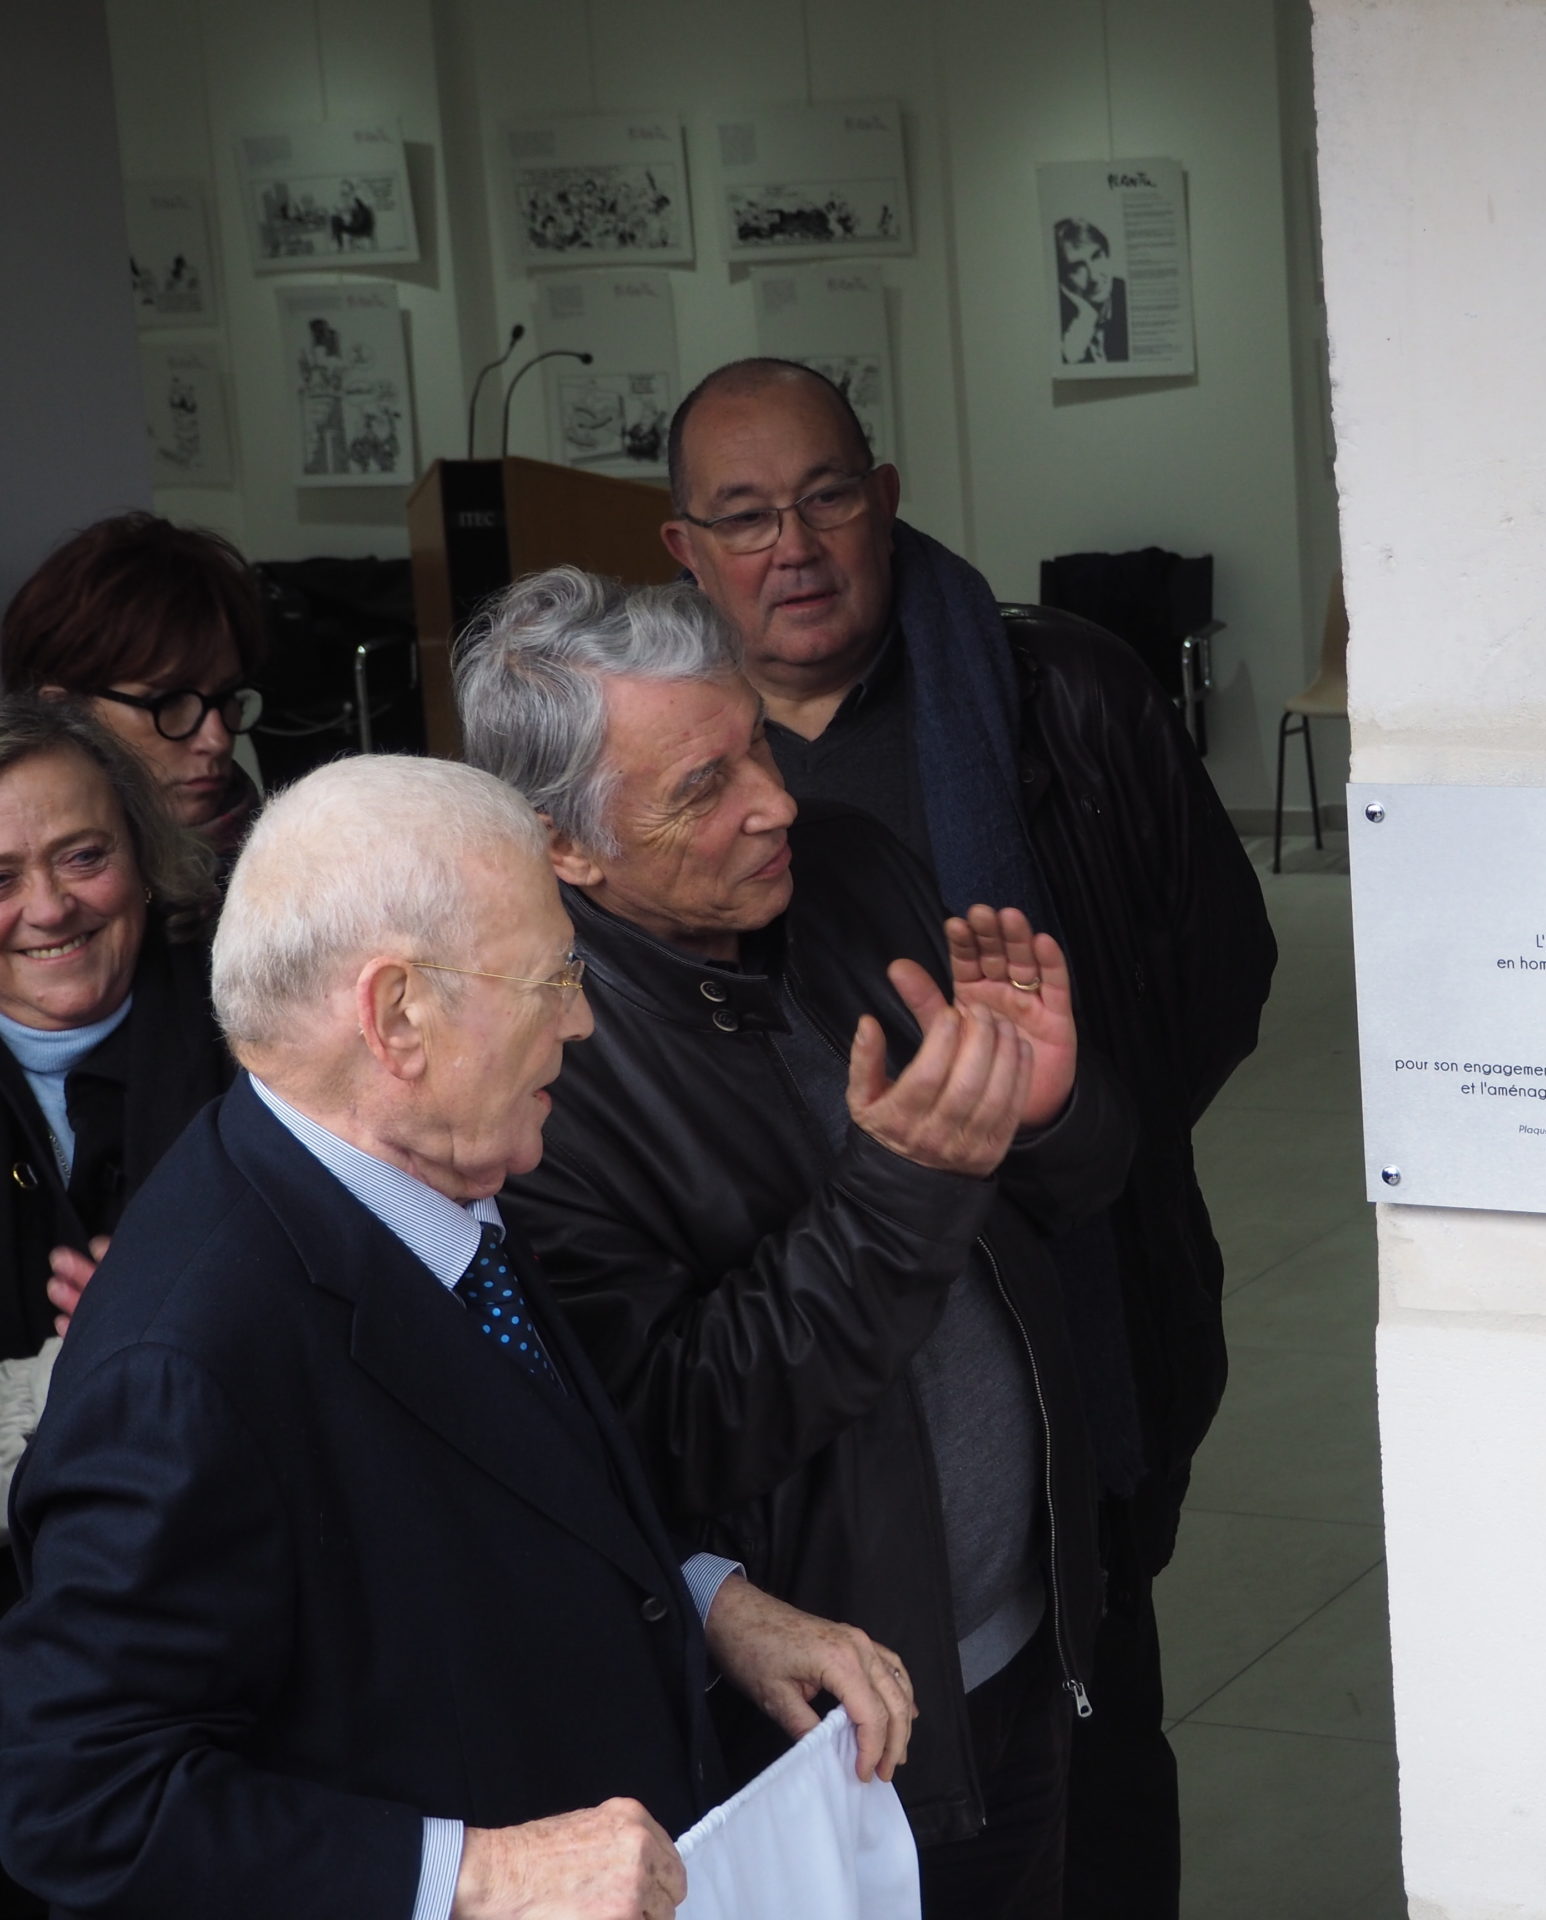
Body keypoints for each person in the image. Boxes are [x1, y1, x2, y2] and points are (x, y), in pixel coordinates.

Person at [0, 755, 918, 1920]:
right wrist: (477, 1874)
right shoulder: (189, 1363)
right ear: (397, 1016)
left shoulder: (428, 1177)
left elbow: (483, 1508)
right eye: (552, 979)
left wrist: (707, 1603)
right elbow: (76, 1797)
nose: (581, 1021)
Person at [658, 356, 1274, 1917]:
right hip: (817, 1405)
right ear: (682, 550)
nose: (793, 545)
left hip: (1077, 1313)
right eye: (742, 517)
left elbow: (1215, 973)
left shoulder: (1061, 693)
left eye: (825, 497)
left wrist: (1051, 1124)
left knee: (1097, 1763)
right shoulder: (661, 760)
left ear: (887, 498)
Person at [456, 567, 1135, 1917]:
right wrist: (904, 1184)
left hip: (1018, 1639)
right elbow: (673, 1428)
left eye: (755, 738)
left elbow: (1077, 1197)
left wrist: (1048, 1112)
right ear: (563, 848)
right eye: (700, 788)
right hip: (817, 1728)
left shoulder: (847, 871)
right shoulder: (534, 1073)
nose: (773, 800)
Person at [0, 699, 232, 1920]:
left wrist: (184, 1305)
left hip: (229, 1660)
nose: (48, 910)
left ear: (144, 858)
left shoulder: (261, 1032)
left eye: (82, 857)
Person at [1, 514, 267, 858]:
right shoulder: (33, 904)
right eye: (167, 702)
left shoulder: (293, 867)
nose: (216, 740)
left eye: (226, 696)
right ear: (61, 714)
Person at [1052, 220, 1129, 365]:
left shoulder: (1129, 296)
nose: (1093, 277)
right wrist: (1086, 319)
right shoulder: (1055, 321)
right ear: (1062, 280)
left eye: (1096, 256)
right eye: (1076, 268)